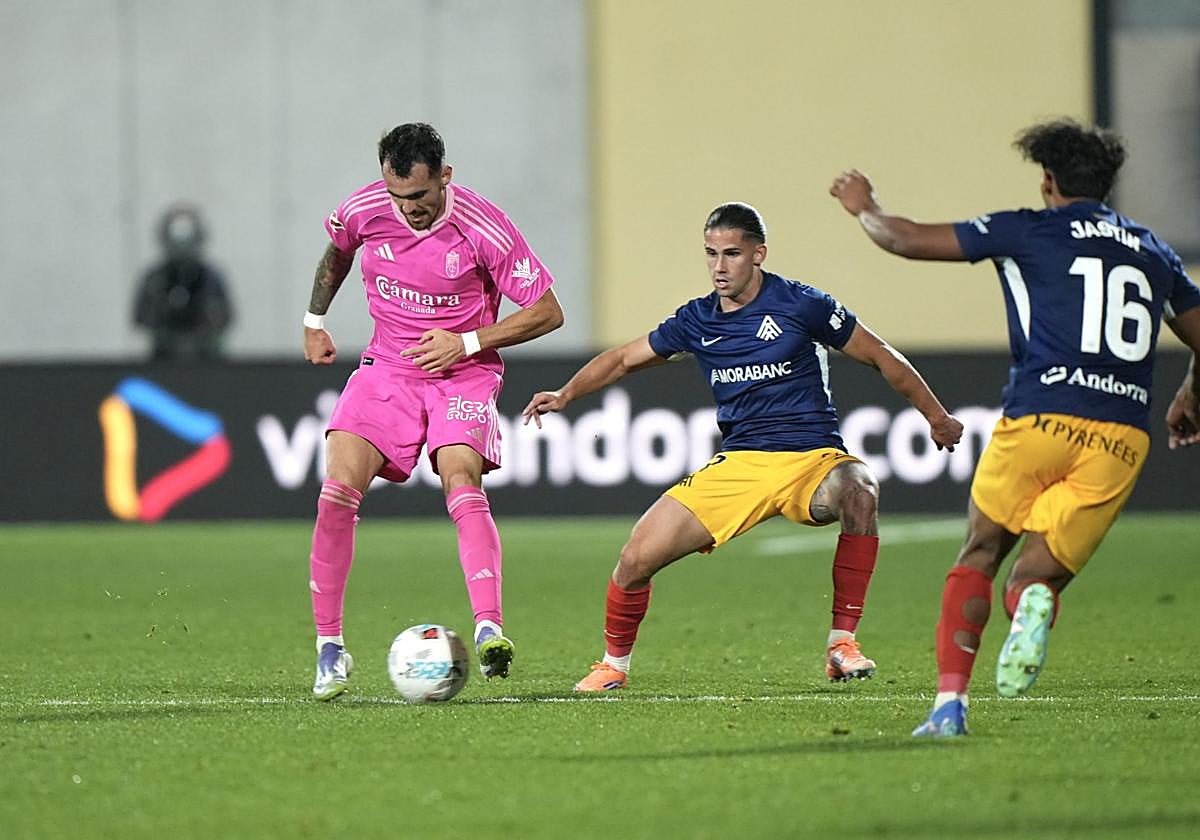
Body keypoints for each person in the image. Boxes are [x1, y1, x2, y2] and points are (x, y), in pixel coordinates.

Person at [830, 117, 1200, 737]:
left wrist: (865, 208)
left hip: (1039, 417)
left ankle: (950, 707)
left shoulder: (1027, 230)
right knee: (1035, 576)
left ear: (1048, 179)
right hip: (1118, 437)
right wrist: (1190, 390)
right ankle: (1033, 602)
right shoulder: (1153, 251)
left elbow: (904, 239)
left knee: (979, 551)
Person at [522, 202, 964, 692]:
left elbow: (879, 355)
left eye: (731, 253)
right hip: (739, 464)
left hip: (811, 460)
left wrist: (936, 415)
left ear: (759, 254)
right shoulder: (698, 320)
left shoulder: (803, 304)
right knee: (634, 558)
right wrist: (566, 393)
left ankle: (843, 643)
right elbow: (625, 359)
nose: (719, 266)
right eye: (710, 254)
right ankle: (613, 666)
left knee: (859, 487)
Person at [303, 122, 564, 700]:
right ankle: (329, 650)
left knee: (460, 478)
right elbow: (338, 249)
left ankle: (490, 627)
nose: (409, 210)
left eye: (420, 197)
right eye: (399, 197)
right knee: (336, 489)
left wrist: (468, 342)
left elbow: (548, 312)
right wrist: (315, 320)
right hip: (389, 368)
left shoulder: (483, 227)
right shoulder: (366, 209)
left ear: (445, 177)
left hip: (463, 373)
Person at [133, 203, 233, 360]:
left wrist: (205, 322)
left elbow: (226, 317)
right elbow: (140, 317)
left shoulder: (211, 277)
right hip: (163, 356)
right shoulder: (155, 278)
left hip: (206, 356)